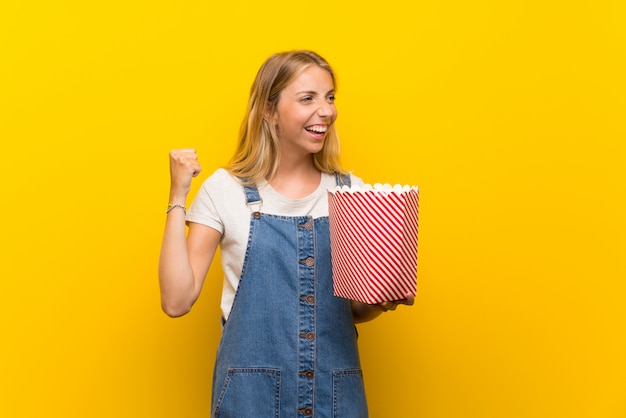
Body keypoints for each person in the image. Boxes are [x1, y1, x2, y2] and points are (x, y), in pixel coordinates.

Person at [158, 50, 413, 418]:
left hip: (335, 398)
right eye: (308, 98)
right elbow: (176, 301)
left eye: (329, 97)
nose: (325, 111)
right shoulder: (225, 190)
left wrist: (383, 298)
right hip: (251, 400)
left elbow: (351, 311)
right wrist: (177, 195)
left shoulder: (351, 192)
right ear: (268, 110)